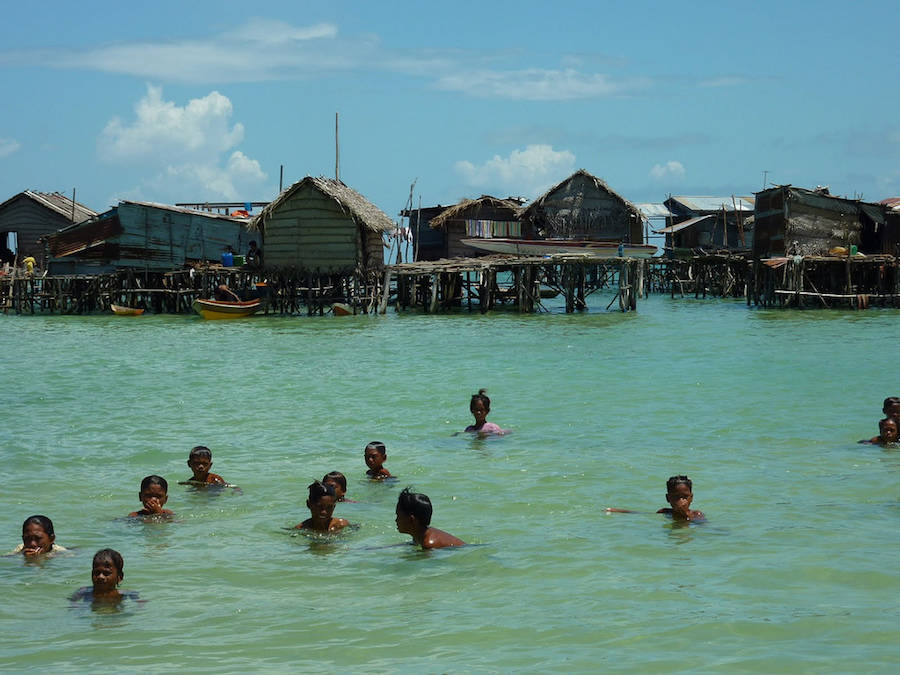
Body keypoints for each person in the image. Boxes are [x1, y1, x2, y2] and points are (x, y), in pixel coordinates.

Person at [395, 488, 464, 549]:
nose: (396, 520)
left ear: (412, 520)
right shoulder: (420, 534)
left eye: (398, 516)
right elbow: (412, 544)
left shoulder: (428, 544)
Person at [70, 549, 135, 603]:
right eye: (96, 573)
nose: (100, 577)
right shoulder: (84, 591)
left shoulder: (123, 594)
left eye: (106, 573)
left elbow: (140, 602)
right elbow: (71, 602)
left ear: (119, 577)